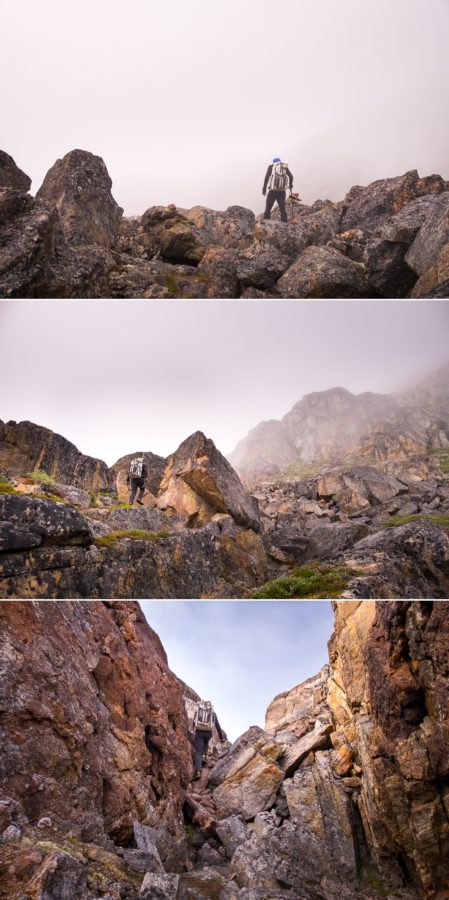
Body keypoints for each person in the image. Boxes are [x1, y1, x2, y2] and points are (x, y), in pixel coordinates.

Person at [193, 700, 224, 779]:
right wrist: (221, 738)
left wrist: (194, 729)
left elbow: (194, 721)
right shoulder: (212, 713)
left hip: (199, 731)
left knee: (198, 751)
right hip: (208, 733)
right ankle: (204, 757)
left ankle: (198, 772)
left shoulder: (198, 709)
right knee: (206, 742)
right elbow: (218, 726)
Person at [262, 157, 294, 223]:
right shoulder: (284, 167)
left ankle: (265, 225)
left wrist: (264, 188)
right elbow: (291, 176)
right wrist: (290, 185)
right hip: (282, 192)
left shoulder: (271, 167)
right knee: (282, 209)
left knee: (268, 208)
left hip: (272, 191)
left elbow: (266, 177)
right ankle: (285, 225)